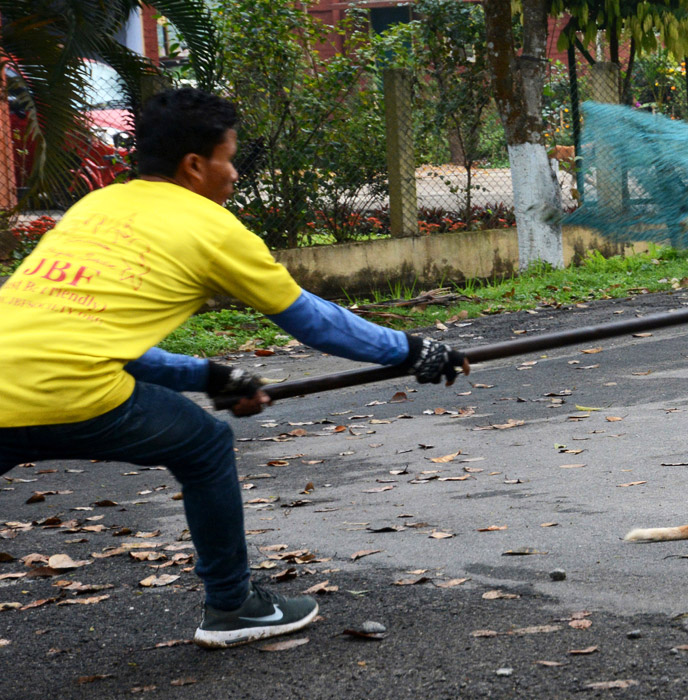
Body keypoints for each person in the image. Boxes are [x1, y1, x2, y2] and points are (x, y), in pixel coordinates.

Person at [0, 87, 467, 648]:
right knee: (204, 445)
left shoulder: (95, 208)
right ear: (195, 165)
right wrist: (412, 350)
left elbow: (83, 337)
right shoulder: (213, 228)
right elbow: (314, 322)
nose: (236, 173)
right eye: (229, 157)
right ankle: (232, 605)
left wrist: (209, 377)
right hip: (73, 392)